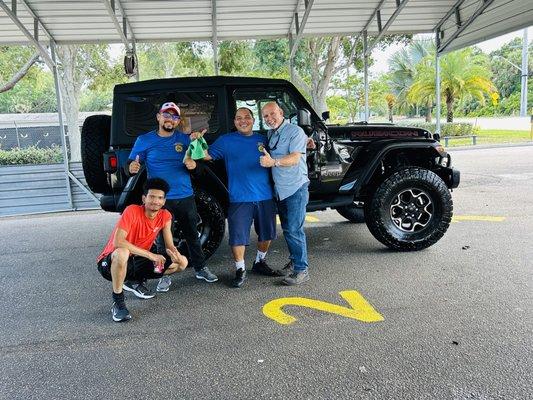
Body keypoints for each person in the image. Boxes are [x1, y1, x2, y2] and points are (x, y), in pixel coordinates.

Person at [127, 102, 218, 291]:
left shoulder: (185, 140)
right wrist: (131, 168)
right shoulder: (144, 140)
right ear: (158, 117)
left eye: (175, 117)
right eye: (166, 115)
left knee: (192, 234)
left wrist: (195, 166)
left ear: (178, 121)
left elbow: (199, 165)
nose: (170, 120)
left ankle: (200, 268)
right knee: (163, 240)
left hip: (185, 196)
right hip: (161, 201)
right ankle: (164, 274)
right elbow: (132, 163)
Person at [184, 107, 279, 288]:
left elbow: (284, 151)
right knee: (237, 237)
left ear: (253, 120)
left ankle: (260, 262)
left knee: (267, 234)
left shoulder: (264, 139)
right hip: (239, 198)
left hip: (265, 196)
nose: (243, 121)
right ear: (234, 122)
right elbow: (204, 155)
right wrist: (197, 141)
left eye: (247, 117)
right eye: (238, 118)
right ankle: (240, 269)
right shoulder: (226, 141)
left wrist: (305, 143)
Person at [96, 178, 188, 322]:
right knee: (122, 252)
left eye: (160, 198)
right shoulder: (132, 211)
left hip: (136, 261)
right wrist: (151, 255)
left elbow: (170, 245)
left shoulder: (165, 216)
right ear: (144, 198)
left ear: (164, 201)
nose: (155, 201)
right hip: (111, 261)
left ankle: (133, 280)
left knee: (182, 263)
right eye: (151, 196)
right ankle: (118, 302)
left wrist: (176, 255)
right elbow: (118, 241)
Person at [260, 102, 310, 285]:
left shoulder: (295, 131)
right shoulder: (271, 133)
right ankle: (295, 261)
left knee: (294, 230)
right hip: (281, 190)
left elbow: (296, 158)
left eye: (272, 114)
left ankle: (301, 270)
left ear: (281, 112)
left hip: (295, 188)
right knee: (289, 230)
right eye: (265, 116)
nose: (269, 118)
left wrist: (273, 162)